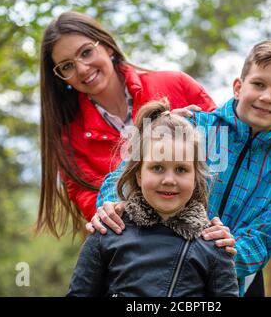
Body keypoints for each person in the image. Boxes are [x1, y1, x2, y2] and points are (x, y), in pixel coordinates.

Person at [94, 39, 271, 297]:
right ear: (238, 87)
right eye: (258, 84)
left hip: (224, 285)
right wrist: (110, 205)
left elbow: (262, 240)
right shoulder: (191, 126)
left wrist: (224, 252)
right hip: (149, 272)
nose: (266, 97)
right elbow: (125, 176)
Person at [35, 11, 218, 237]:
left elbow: (230, 145)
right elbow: (93, 204)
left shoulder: (176, 85)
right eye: (67, 66)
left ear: (107, 47)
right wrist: (110, 209)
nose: (82, 68)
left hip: (212, 240)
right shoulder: (70, 139)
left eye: (86, 52)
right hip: (139, 251)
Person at [67, 100, 239, 297]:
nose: (169, 180)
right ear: (139, 174)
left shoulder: (214, 245)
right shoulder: (107, 233)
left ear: (195, 179)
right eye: (157, 168)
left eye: (181, 169)